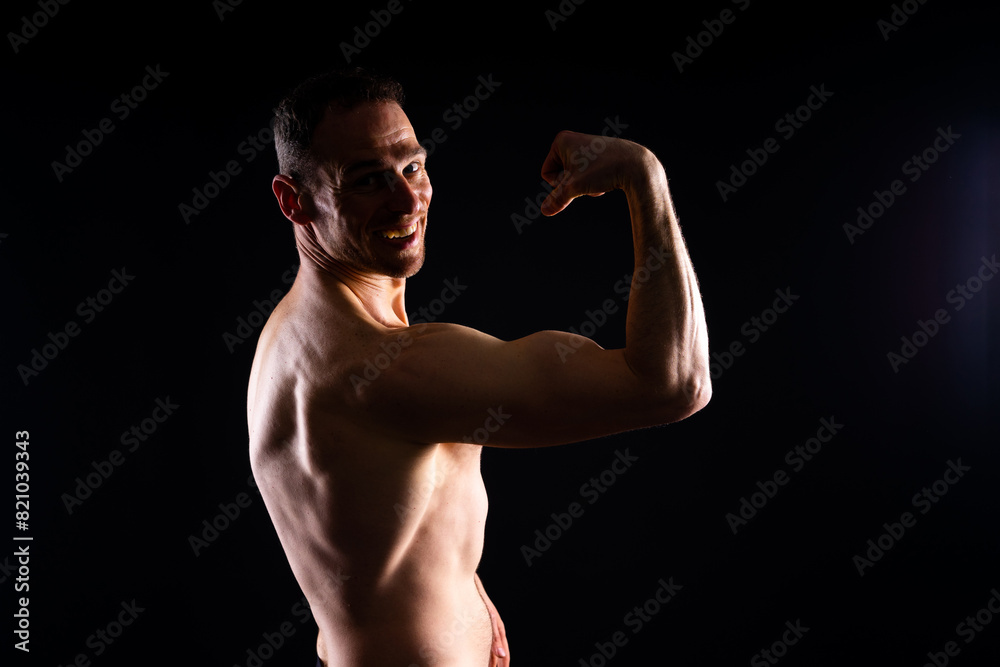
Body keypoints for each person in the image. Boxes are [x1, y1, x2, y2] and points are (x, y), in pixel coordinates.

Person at [246, 67, 711, 667]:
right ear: (294, 201)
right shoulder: (381, 369)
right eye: (366, 180)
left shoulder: (290, 335)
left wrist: (464, 592)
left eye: (412, 166)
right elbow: (674, 384)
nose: (407, 199)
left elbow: (361, 541)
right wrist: (644, 177)